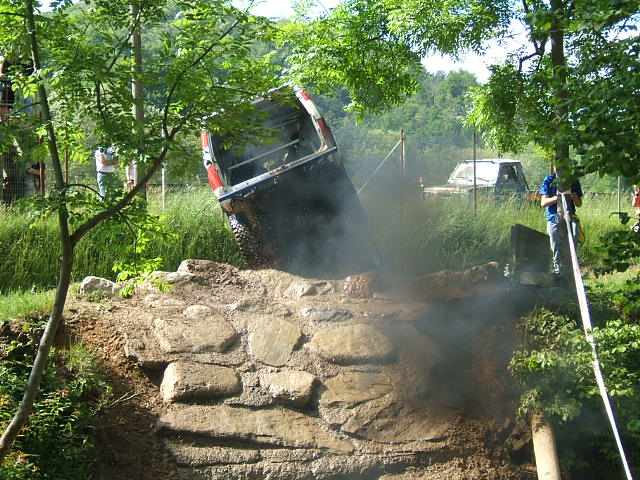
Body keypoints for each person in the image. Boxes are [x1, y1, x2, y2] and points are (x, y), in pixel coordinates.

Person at [540, 166, 583, 278]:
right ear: (554, 168)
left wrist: (575, 198)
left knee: (574, 235)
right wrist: (557, 197)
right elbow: (543, 203)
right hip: (553, 216)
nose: (561, 170)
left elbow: (579, 204)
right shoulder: (549, 180)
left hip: (570, 215)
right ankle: (557, 269)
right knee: (555, 240)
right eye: (558, 168)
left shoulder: (573, 180)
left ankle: (571, 267)